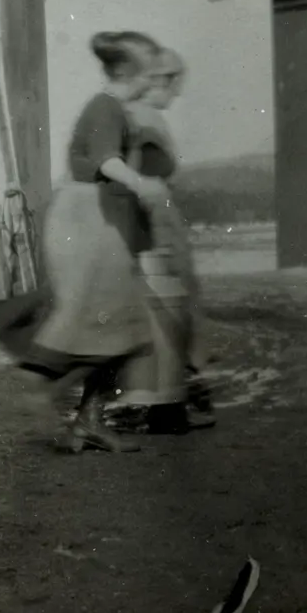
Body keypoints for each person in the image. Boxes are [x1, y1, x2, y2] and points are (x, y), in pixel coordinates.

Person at [0, 30, 169, 454]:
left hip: (99, 218)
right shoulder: (105, 107)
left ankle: (87, 420)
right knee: (102, 323)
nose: (154, 79)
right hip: (88, 219)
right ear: (127, 71)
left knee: (116, 325)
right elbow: (106, 160)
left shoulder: (118, 109)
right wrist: (142, 184)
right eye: (150, 71)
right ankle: (44, 387)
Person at [117, 48, 217, 433]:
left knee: (166, 310)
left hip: (153, 218)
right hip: (155, 220)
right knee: (170, 308)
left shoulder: (138, 116)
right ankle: (169, 405)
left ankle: (168, 400)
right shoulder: (144, 118)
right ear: (160, 80)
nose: (176, 96)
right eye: (174, 86)